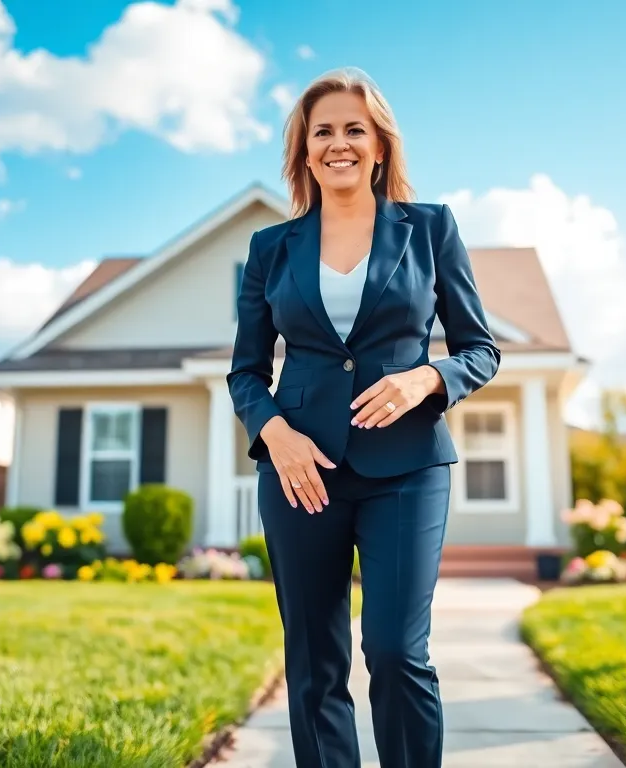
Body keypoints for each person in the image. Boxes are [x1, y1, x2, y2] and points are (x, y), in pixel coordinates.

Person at [226, 67, 501, 768]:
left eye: (355, 129)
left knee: (396, 651)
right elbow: (246, 372)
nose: (338, 143)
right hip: (301, 474)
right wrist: (275, 435)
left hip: (407, 468)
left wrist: (427, 378)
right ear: (304, 149)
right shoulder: (270, 248)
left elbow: (481, 350)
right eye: (323, 131)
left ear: (380, 145)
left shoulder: (430, 228)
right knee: (314, 659)